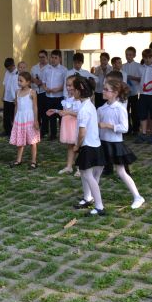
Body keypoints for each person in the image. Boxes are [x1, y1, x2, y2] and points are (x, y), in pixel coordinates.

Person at [98, 78, 145, 209]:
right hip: (103, 143)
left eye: (106, 90)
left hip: (115, 144)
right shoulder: (101, 109)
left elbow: (125, 128)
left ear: (115, 93)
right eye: (103, 89)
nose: (103, 91)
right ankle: (89, 196)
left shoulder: (119, 108)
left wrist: (108, 125)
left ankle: (138, 196)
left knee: (121, 171)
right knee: (97, 170)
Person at [70, 76, 106, 216]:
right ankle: (87, 198)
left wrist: (76, 146)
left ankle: (99, 206)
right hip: (95, 145)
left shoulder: (84, 109)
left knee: (87, 175)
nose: (72, 91)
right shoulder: (89, 105)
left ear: (80, 91)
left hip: (88, 146)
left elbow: (82, 133)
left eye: (73, 89)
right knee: (86, 173)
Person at [8, 71, 39, 168]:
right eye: (18, 80)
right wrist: (14, 118)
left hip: (29, 119)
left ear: (28, 82)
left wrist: (36, 120)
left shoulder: (32, 92)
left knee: (32, 141)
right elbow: (16, 106)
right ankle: (18, 160)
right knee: (20, 140)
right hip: (20, 119)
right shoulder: (17, 92)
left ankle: (33, 161)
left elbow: (35, 107)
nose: (19, 82)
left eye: (21, 81)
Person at [53, 76, 82, 175]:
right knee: (70, 146)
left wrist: (68, 112)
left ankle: (80, 168)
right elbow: (65, 111)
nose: (68, 88)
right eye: (67, 85)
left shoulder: (79, 99)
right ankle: (69, 166)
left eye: (70, 85)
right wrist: (56, 111)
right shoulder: (68, 98)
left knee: (78, 147)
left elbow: (80, 114)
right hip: (68, 126)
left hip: (75, 126)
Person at [136, 48, 152, 144]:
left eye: (149, 58)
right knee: (143, 115)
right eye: (145, 58)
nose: (147, 60)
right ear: (143, 58)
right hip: (143, 94)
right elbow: (140, 79)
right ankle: (143, 133)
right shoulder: (140, 68)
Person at [42, 49, 68, 140]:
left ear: (60, 59)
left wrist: (58, 89)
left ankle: (63, 135)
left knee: (61, 116)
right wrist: (45, 88)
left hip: (59, 97)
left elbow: (65, 83)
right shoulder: (46, 69)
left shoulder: (64, 70)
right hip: (49, 97)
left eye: (55, 58)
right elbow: (43, 82)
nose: (53, 59)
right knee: (51, 116)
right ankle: (53, 135)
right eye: (52, 57)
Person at [123, 47, 142, 134]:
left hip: (135, 92)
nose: (128, 56)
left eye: (130, 55)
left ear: (134, 55)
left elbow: (142, 79)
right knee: (125, 111)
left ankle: (136, 129)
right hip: (125, 93)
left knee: (135, 111)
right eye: (127, 55)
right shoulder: (123, 66)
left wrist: (132, 77)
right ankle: (127, 128)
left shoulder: (138, 66)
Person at [2, 58, 19, 137]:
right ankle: (7, 131)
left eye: (9, 68)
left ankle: (13, 131)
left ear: (13, 65)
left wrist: (17, 98)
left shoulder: (18, 73)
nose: (8, 70)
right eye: (7, 68)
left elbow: (19, 87)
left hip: (14, 98)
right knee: (6, 116)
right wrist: (3, 95)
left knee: (13, 116)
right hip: (6, 98)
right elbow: (5, 85)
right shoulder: (7, 73)